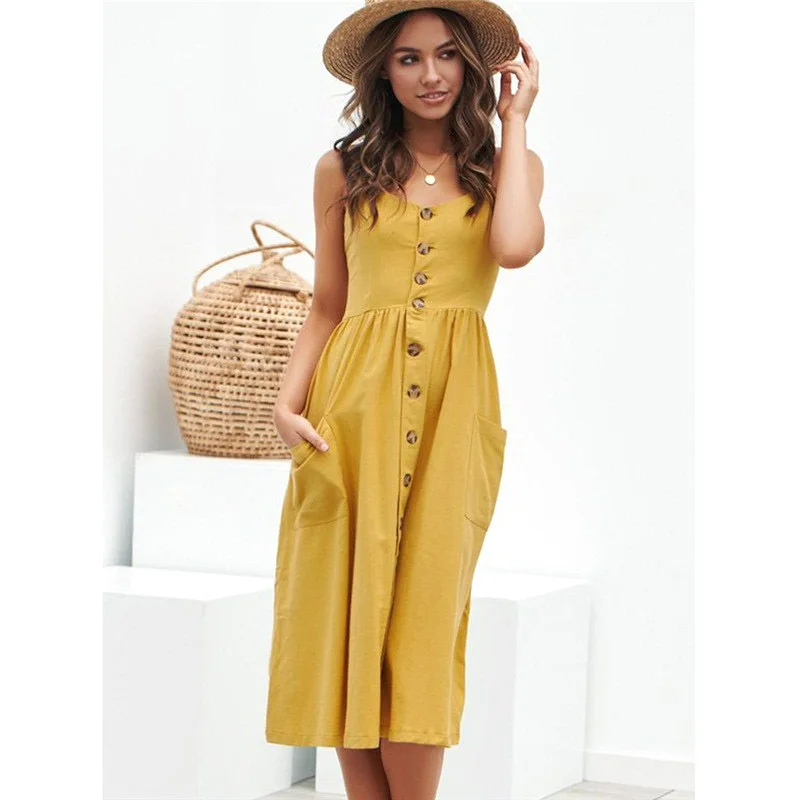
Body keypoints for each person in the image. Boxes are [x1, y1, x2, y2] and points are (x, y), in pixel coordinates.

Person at [265, 1, 544, 797]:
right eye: (409, 58)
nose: (431, 75)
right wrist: (286, 405)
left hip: (455, 414)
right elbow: (328, 303)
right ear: (382, 71)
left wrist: (515, 120)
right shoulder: (342, 171)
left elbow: (514, 249)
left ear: (475, 67)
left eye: (448, 55)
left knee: (423, 625)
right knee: (346, 619)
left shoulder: (512, 166)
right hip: (349, 415)